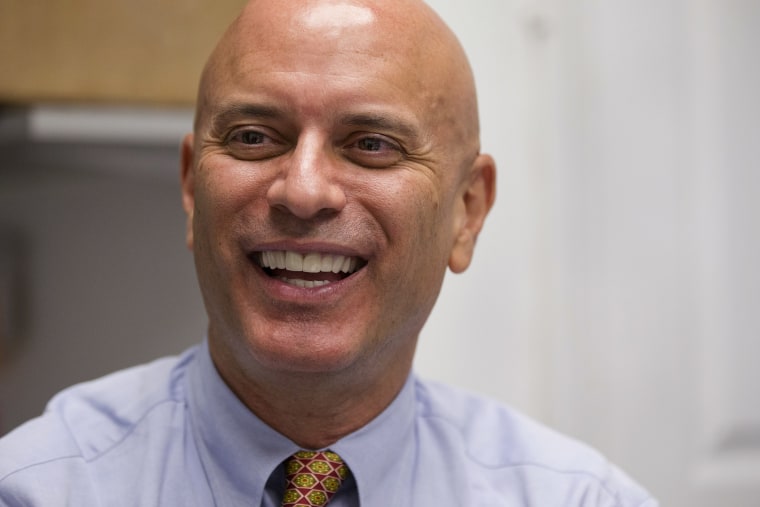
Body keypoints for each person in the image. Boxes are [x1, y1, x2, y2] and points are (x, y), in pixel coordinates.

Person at [0, 0, 658, 505]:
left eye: (372, 143)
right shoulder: (41, 487)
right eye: (255, 136)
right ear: (192, 188)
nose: (304, 190)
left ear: (467, 211)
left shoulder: (575, 497)